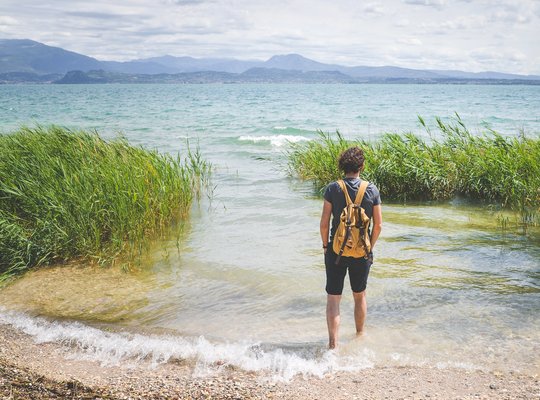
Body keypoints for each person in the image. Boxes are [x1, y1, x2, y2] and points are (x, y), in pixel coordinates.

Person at [320, 146, 382, 349]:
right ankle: (359, 337)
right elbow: (379, 225)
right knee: (359, 296)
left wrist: (326, 246)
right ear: (361, 166)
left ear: (342, 166)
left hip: (336, 252)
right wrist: (368, 248)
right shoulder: (371, 189)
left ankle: (332, 345)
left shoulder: (333, 188)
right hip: (362, 253)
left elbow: (324, 223)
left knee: (333, 299)